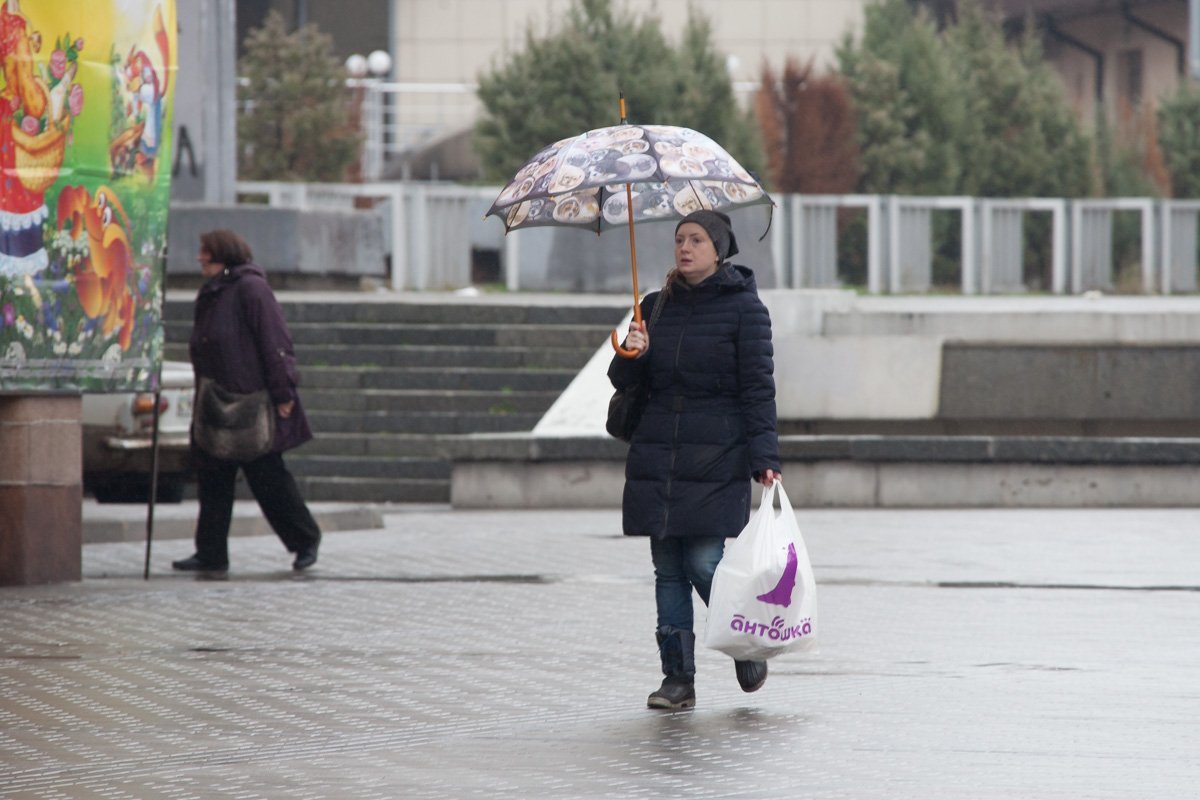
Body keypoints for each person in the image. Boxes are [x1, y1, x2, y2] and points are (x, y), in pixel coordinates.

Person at [608, 209, 782, 710]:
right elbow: (623, 381)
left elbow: (758, 389)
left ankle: (744, 642)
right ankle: (677, 679)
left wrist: (764, 455)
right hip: (659, 451)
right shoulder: (654, 306)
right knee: (667, 568)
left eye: (697, 240)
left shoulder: (745, 310)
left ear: (719, 249)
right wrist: (633, 352)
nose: (685, 248)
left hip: (717, 451)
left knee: (704, 560)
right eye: (680, 239)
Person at [172, 229, 322, 573]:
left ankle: (305, 539)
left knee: (268, 477)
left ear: (222, 254)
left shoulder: (251, 289)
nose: (199, 258)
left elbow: (275, 342)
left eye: (205, 251)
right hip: (215, 401)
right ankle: (210, 553)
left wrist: (284, 392)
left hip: (250, 403)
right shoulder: (212, 292)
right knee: (213, 480)